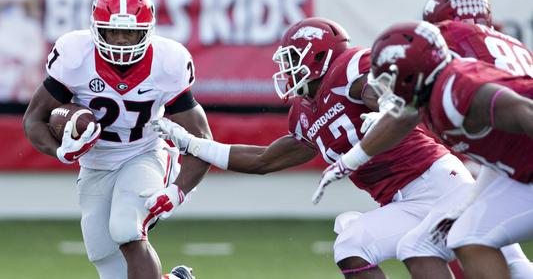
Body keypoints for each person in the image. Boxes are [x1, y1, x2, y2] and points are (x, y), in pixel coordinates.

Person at [150, 16, 515, 279]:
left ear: (319, 55)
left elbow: (384, 92)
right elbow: (262, 160)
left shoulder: (347, 70)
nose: (287, 69)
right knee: (357, 245)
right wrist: (192, 142)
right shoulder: (304, 113)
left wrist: (383, 108)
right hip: (402, 201)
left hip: (438, 182)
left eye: (293, 58)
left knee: (507, 265)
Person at [22, 0, 208, 279]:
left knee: (126, 228)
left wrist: (179, 190)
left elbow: (201, 137)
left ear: (147, 30)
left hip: (144, 153)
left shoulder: (168, 62)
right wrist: (60, 150)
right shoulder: (75, 55)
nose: (121, 41)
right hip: (95, 163)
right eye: (113, 31)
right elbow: (34, 119)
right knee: (104, 256)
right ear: (97, 29)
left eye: (130, 32)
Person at [324, 20, 533, 279]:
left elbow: (526, 111)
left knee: (471, 236)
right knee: (428, 244)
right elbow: (400, 119)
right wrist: (349, 162)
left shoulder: (455, 88)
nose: (385, 86)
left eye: (390, 76)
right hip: (515, 169)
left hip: (524, 170)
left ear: (413, 73)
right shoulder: (429, 94)